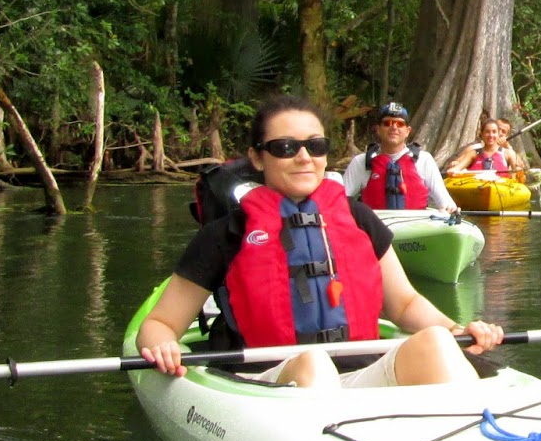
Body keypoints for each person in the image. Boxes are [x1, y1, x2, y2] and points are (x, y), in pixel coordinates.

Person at [137, 95, 502, 388]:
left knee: (436, 342)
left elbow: (404, 304)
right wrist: (162, 345)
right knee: (313, 365)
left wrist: (455, 329)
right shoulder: (226, 234)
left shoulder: (357, 218)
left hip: (357, 374)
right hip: (266, 379)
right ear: (257, 157)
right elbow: (160, 323)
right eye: (284, 147)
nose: (303, 158)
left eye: (315, 145)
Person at [341, 101, 458, 212]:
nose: (394, 127)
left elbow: (445, 202)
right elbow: (339, 200)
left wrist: (450, 209)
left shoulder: (424, 160)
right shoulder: (361, 162)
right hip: (375, 228)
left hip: (415, 228)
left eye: (400, 124)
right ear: (377, 129)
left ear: (407, 131)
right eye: (387, 123)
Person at [446, 116, 514, 175]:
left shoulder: (508, 152)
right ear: (481, 134)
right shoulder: (474, 151)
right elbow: (457, 166)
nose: (491, 135)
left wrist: (508, 146)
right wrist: (454, 168)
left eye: (494, 132)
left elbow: (519, 167)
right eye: (487, 132)